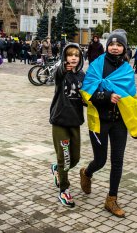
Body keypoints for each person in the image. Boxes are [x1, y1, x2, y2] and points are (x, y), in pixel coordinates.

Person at [79, 29, 137, 217]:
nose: (115, 48)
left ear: (124, 48)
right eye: (112, 44)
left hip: (119, 123)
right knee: (100, 161)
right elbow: (86, 94)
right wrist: (107, 95)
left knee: (118, 162)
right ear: (107, 46)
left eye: (119, 45)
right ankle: (87, 172)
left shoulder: (126, 69)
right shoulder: (96, 65)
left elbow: (131, 99)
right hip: (100, 121)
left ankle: (111, 199)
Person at [49, 43, 85, 207]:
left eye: (76, 55)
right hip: (60, 120)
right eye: (70, 55)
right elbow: (59, 72)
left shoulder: (82, 76)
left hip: (75, 121)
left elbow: (85, 97)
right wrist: (64, 67)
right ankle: (64, 190)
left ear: (80, 58)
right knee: (65, 157)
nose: (73, 58)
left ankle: (58, 168)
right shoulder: (61, 73)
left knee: (75, 159)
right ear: (65, 57)